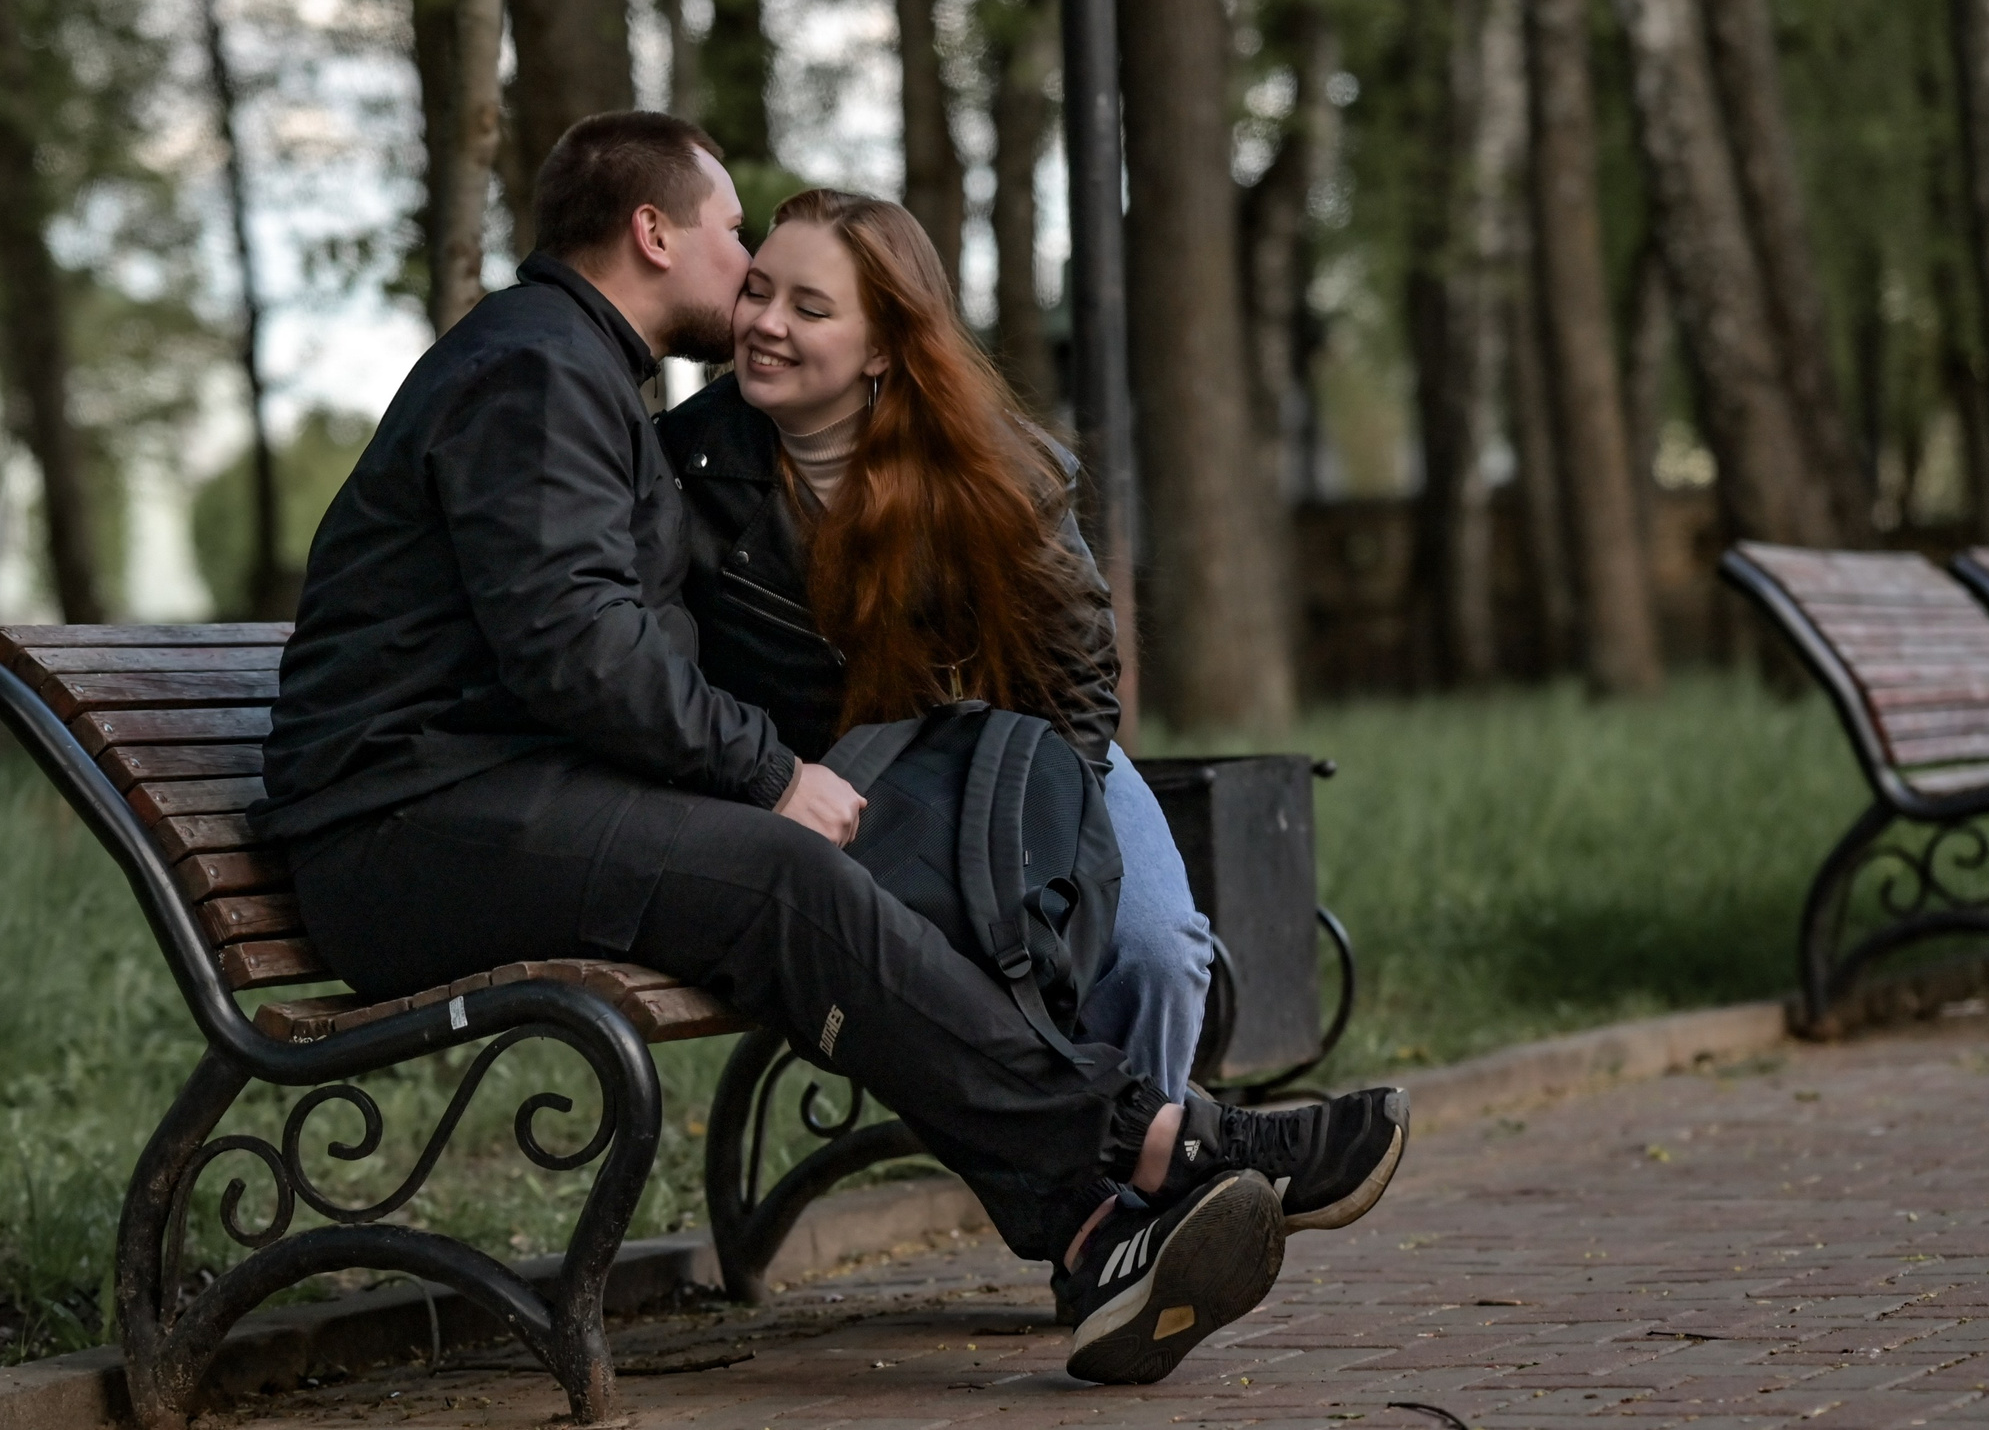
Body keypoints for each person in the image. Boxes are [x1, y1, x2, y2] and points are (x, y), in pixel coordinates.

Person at [250, 111, 1405, 1385]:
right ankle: (1172, 1147)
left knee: (844, 887)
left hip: (486, 803)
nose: (745, 271)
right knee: (789, 879)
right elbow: (579, 641)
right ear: (653, 231)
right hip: (401, 832)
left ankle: (1098, 1231)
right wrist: (765, 773)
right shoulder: (541, 372)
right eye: (733, 233)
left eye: (796, 289)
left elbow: (599, 645)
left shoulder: (569, 371)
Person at [655, 187, 1210, 1104]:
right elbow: (667, 686)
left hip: (1034, 755)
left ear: (881, 345)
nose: (766, 324)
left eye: (810, 307)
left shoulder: (997, 466)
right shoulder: (678, 471)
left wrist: (1030, 841)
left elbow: (1077, 678)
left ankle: (1139, 1171)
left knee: (1155, 951)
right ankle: (1128, 1165)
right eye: (758, 290)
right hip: (838, 804)